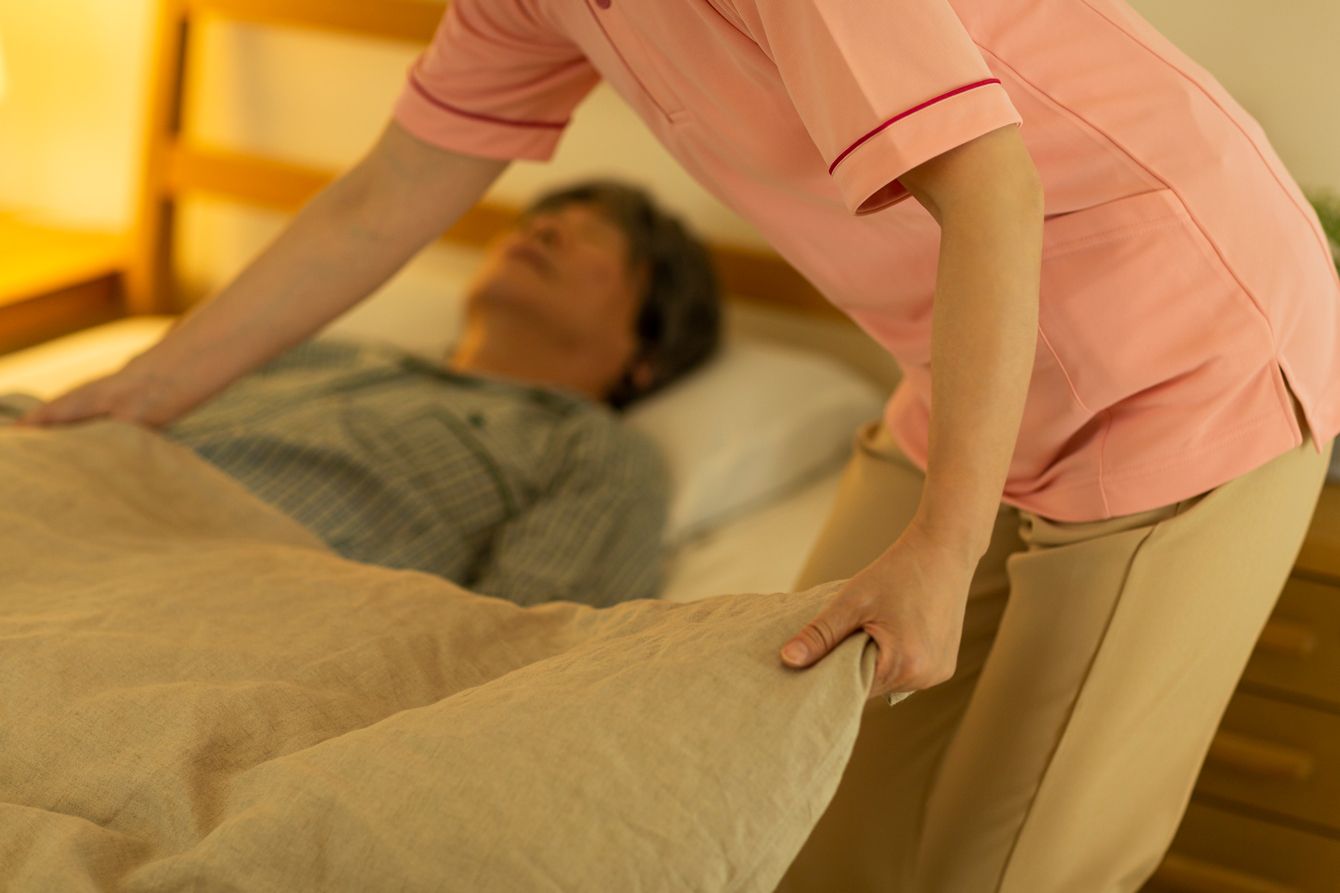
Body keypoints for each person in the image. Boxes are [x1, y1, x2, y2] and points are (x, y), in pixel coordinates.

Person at [19, 1, 1340, 889]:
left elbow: (992, 185)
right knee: (804, 791)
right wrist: (138, 388)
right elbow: (389, 192)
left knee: (1008, 864)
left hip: (1183, 348)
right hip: (973, 352)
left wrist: (942, 547)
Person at [17, 179, 722, 607]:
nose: (544, 228)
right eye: (544, 219)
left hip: (204, 580)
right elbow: (110, 412)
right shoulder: (320, 349)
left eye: (593, 235)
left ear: (648, 353)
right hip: (73, 487)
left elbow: (525, 642)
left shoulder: (594, 451)